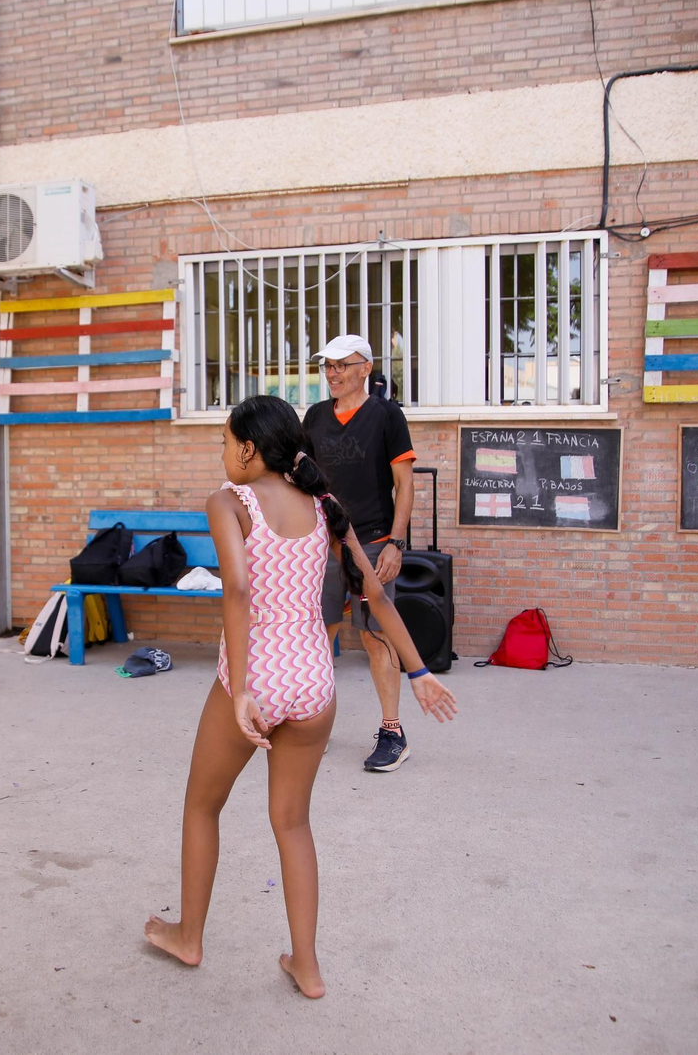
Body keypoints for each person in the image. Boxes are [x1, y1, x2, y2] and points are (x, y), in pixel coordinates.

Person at [144, 394, 457, 998]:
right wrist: (420, 673)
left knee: (201, 807)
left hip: (256, 679)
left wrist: (239, 693)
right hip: (314, 682)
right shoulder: (324, 505)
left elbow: (236, 590)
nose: (223, 455)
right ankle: (306, 967)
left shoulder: (229, 502)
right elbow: (377, 595)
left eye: (225, 442)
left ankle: (189, 937)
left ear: (249, 448)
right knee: (292, 825)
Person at [302, 334, 421, 772]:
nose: (331, 373)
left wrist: (395, 541)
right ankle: (312, 726)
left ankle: (393, 732)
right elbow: (302, 479)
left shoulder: (387, 415)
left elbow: (404, 484)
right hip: (323, 545)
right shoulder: (314, 416)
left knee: (376, 637)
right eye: (326, 366)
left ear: (365, 368)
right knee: (318, 636)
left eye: (340, 364)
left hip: (372, 542)